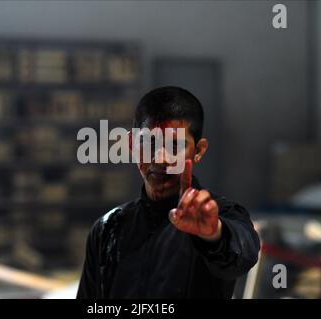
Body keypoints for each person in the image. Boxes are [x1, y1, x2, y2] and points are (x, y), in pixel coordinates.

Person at [77, 86, 260, 298]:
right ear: (131, 144)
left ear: (199, 150)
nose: (161, 158)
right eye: (150, 143)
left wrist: (213, 235)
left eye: (175, 146)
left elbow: (242, 254)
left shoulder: (219, 217)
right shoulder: (108, 229)